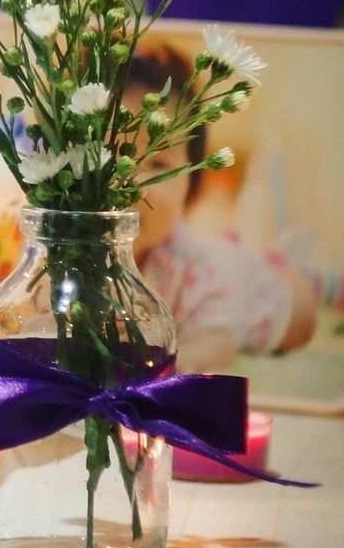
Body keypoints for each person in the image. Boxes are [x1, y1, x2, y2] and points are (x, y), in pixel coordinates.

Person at [128, 44, 318, 372]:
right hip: (228, 258)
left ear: (190, 182)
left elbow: (216, 346)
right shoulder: (70, 256)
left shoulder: (193, 268)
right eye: (115, 157)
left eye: (158, 165)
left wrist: (159, 371)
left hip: (252, 288)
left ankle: (287, 265)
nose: (133, 185)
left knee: (302, 315)